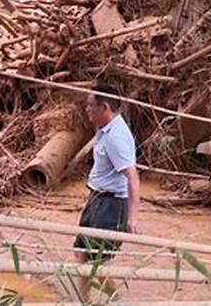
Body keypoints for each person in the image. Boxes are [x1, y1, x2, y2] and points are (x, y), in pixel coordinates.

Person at [72, 82, 140, 298]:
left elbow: (133, 177)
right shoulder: (104, 127)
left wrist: (133, 217)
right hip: (97, 199)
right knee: (81, 253)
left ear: (104, 108)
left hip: (110, 205)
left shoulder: (116, 137)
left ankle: (118, 301)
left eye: (90, 105)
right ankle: (82, 301)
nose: (87, 109)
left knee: (99, 264)